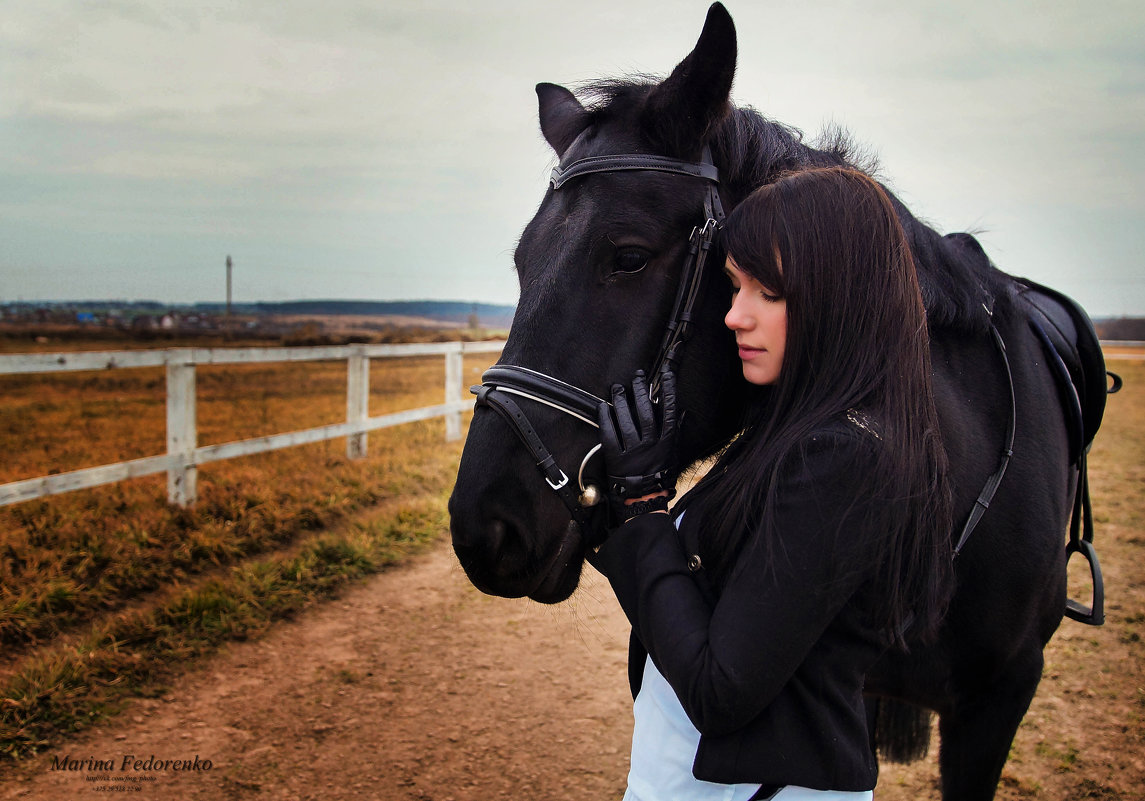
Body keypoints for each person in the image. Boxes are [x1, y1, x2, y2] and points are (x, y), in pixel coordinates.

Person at [589, 166, 955, 801]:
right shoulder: (795, 432)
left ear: (844, 297)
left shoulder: (842, 458)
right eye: (735, 288)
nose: (735, 316)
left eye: (770, 292)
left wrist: (647, 506)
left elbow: (719, 689)